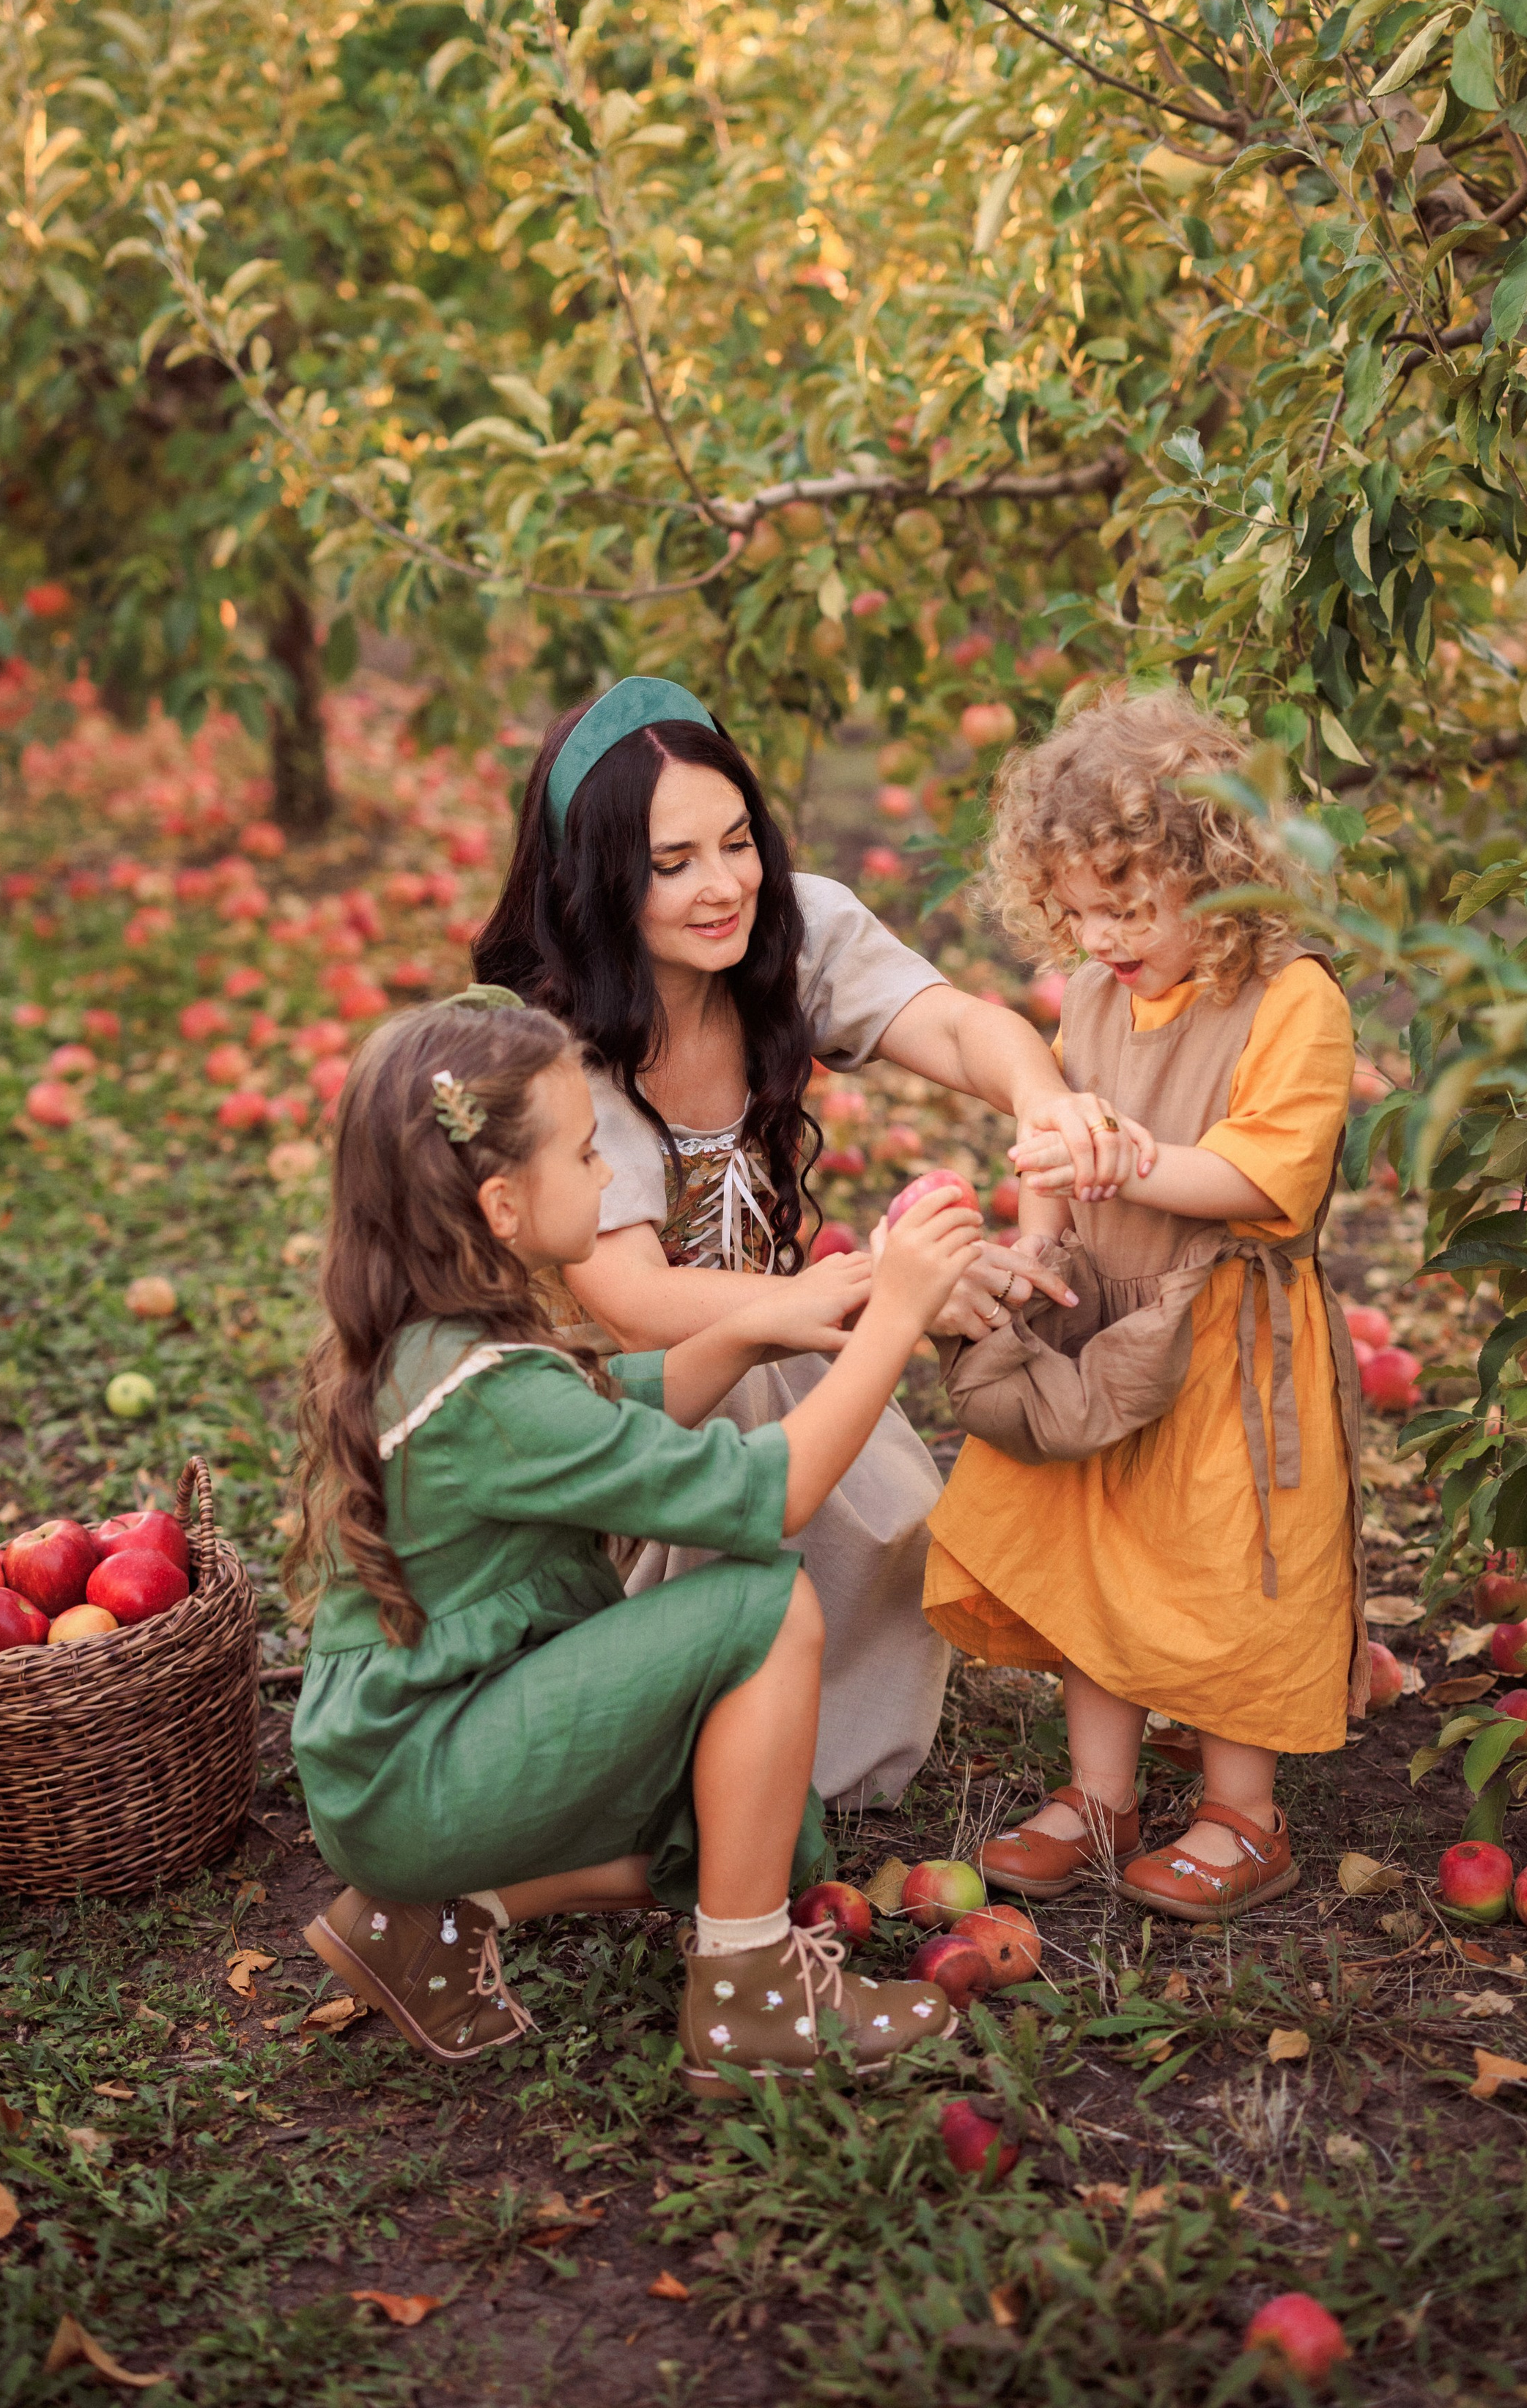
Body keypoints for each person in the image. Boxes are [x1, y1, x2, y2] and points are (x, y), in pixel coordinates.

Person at [286, 989, 983, 2079]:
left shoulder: (433, 1344)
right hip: (419, 1778)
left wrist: (754, 1324)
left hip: (403, 1763)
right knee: (763, 1601)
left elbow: (612, 1411)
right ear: (503, 1204)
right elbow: (773, 1492)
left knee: (755, 1826)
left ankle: (431, 1917)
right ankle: (750, 2004)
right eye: (586, 1152)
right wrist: (892, 1321)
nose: (611, 1173)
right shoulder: (495, 1396)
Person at [473, 675, 1125, 1808]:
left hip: (774, 1344)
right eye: (672, 864)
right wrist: (892, 1292)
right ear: (601, 877)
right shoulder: (558, 1043)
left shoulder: (787, 927)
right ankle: (691, 1742)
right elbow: (633, 1301)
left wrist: (1040, 1098)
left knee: (878, 1516)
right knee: (748, 1433)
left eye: (737, 841)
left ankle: (796, 1750)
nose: (722, 884)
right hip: (617, 1406)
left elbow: (963, 1026)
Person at [923, 689, 1367, 1922]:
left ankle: (1242, 1812)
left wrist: (1136, 1161)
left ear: (1217, 872)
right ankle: (1100, 1791)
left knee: (1229, 1565)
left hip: (1230, 1347)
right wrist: (1035, 1247)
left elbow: (1265, 1175)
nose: (1101, 932)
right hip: (1106, 1324)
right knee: (1093, 1548)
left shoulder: (1293, 1000)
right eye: (1076, 910)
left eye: (1128, 903)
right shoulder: (1096, 992)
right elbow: (1061, 1141)